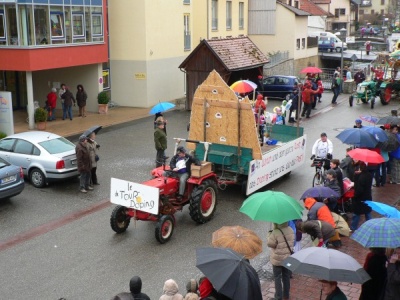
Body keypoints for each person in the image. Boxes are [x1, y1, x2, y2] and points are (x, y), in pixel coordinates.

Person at [267, 222, 295, 300]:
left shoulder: (275, 232)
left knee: (277, 277)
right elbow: (292, 242)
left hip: (277, 260)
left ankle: (278, 297)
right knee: (286, 277)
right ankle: (286, 295)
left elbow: (270, 244)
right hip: (287, 258)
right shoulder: (291, 230)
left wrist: (269, 235)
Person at [350, 161, 372, 231]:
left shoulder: (361, 177)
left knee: (356, 213)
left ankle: (353, 227)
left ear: (360, 168)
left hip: (360, 198)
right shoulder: (369, 175)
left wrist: (355, 196)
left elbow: (359, 189)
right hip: (367, 196)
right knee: (367, 212)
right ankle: (371, 226)